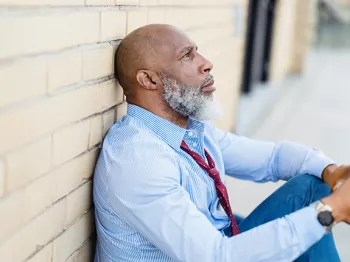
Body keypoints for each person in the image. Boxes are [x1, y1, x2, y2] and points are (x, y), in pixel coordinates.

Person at [93, 24, 350, 262]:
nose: (206, 64)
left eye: (198, 52)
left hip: (217, 246)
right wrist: (330, 210)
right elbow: (216, 257)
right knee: (312, 206)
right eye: (187, 56)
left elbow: (273, 159)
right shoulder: (138, 159)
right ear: (149, 80)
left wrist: (332, 172)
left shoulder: (190, 131)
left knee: (314, 182)